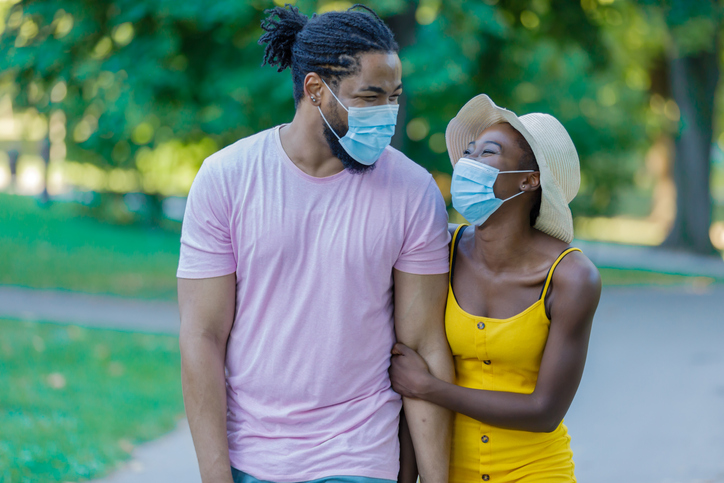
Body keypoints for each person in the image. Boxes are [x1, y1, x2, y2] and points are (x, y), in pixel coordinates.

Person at [176, 5, 453, 483]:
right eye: (370, 96)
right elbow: (202, 337)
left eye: (394, 96)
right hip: (251, 454)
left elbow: (423, 343)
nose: (387, 114)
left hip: (358, 452)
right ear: (315, 89)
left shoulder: (413, 192)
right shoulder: (226, 178)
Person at [390, 94, 601, 482]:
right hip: (449, 471)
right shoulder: (438, 252)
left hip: (537, 471)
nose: (468, 163)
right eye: (467, 152)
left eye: (488, 152)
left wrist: (430, 388)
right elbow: (408, 362)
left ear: (529, 179)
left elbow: (545, 412)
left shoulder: (571, 277)